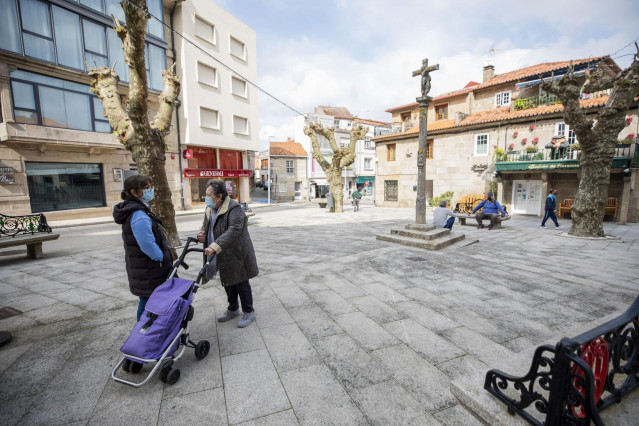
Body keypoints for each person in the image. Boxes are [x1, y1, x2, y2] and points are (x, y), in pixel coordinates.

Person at [113, 175, 172, 373]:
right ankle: (144, 339)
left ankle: (141, 339)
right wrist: (161, 257)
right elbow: (147, 244)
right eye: (146, 188)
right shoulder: (138, 214)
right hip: (149, 269)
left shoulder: (137, 209)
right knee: (149, 305)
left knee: (145, 302)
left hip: (141, 269)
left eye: (150, 186)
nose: (150, 190)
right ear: (134, 192)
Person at [197, 180, 259, 328]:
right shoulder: (210, 208)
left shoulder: (234, 208)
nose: (205, 198)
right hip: (221, 251)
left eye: (208, 195)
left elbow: (234, 230)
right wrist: (202, 233)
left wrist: (215, 245)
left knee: (241, 281)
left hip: (237, 252)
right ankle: (233, 308)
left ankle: (249, 311)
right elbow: (206, 225)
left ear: (219, 196)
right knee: (228, 281)